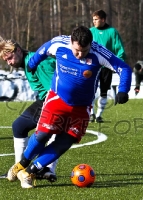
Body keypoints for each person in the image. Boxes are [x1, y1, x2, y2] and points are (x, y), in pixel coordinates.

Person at [6, 25, 132, 188]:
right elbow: (43, 50)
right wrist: (33, 62)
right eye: (77, 50)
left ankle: (29, 171)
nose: (80, 55)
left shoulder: (98, 52)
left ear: (90, 45)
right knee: (43, 134)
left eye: (84, 51)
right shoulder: (59, 44)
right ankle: (20, 165)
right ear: (71, 42)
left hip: (82, 107)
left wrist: (123, 90)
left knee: (66, 141)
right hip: (57, 99)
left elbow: (124, 68)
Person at [0, 37, 58, 182]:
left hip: (53, 101)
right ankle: (26, 169)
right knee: (20, 126)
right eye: (6, 61)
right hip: (46, 100)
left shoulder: (37, 63)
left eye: (10, 58)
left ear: (18, 50)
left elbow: (54, 90)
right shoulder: (28, 61)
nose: (10, 63)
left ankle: (43, 169)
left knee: (50, 133)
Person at [90, 9, 126, 123]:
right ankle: (91, 114)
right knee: (90, 90)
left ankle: (99, 115)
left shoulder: (112, 32)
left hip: (106, 67)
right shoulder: (90, 31)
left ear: (103, 20)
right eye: (93, 19)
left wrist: (118, 63)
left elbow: (119, 48)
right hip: (93, 66)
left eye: (96, 19)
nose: (94, 22)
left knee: (104, 91)